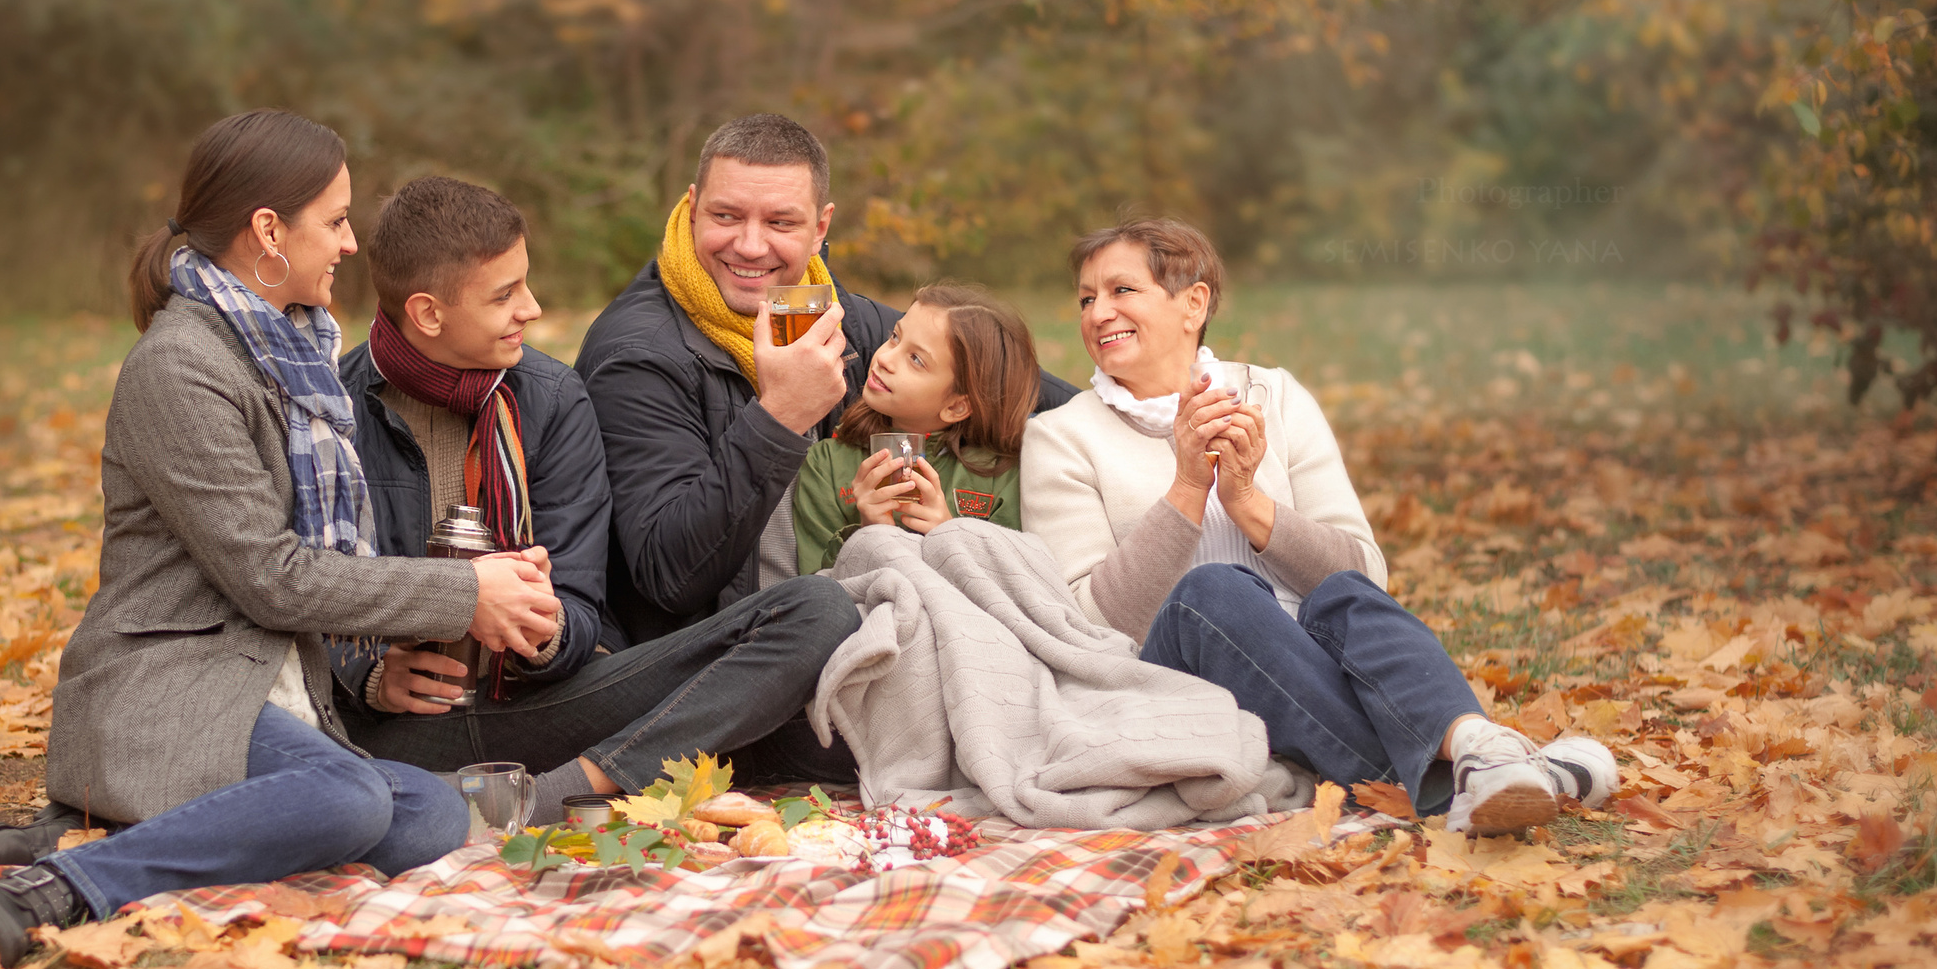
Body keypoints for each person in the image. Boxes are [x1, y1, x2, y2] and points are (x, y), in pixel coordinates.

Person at [0, 112, 562, 967]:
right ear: (269, 231)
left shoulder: (292, 352)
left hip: (271, 684)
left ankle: (74, 836)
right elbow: (273, 577)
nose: (349, 244)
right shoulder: (181, 367)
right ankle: (60, 888)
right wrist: (466, 591)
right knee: (344, 803)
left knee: (434, 819)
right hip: (170, 681)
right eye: (334, 222)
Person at [1018, 216, 1618, 834]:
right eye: (1087, 299)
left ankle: (1481, 751)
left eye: (1122, 291)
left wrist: (1250, 502)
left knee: (1344, 592)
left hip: (1311, 663)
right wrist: (1190, 488)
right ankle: (1500, 775)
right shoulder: (1062, 437)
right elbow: (1085, 625)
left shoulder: (1273, 398)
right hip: (1167, 680)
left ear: (1193, 303)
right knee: (1213, 590)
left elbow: (1366, 573)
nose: (1097, 314)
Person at [336, 176, 862, 815]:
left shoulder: (551, 399)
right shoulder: (331, 411)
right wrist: (367, 679)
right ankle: (455, 792)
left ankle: (560, 793)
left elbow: (584, 611)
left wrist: (544, 625)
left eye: (525, 283)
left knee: (818, 611)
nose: (531, 308)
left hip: (542, 711)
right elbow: (291, 587)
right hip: (390, 732)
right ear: (427, 312)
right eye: (505, 295)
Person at [575, 112, 1075, 646]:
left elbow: (1025, 391)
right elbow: (669, 579)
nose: (749, 245)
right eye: (726, 215)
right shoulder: (639, 356)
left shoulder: (836, 315)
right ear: (693, 208)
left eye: (780, 223)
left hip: (854, 622)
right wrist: (780, 416)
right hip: (719, 656)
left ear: (820, 228)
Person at [790, 283, 1040, 573]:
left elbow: (1020, 589)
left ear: (957, 407)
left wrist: (950, 536)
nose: (884, 358)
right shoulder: (826, 465)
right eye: (895, 337)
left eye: (916, 360)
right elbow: (813, 596)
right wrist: (868, 536)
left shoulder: (1005, 475)